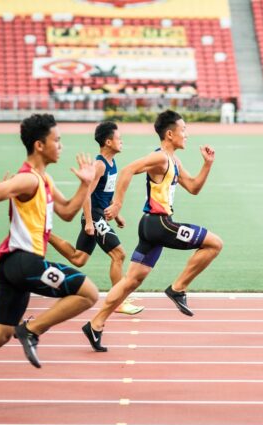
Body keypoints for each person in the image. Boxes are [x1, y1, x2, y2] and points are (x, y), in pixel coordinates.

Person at [0, 114, 99, 415]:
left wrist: (86, 185)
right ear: (39, 144)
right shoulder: (29, 178)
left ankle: (24, 332)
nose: (60, 146)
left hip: (14, 266)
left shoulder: (44, 178)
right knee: (89, 293)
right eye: (56, 141)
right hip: (24, 261)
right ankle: (32, 330)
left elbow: (67, 212)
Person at [81, 110, 223, 352]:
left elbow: (194, 187)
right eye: (183, 130)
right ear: (170, 134)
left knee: (130, 281)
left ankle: (95, 324)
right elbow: (127, 170)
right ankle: (178, 289)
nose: (187, 135)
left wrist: (207, 165)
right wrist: (117, 204)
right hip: (160, 224)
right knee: (214, 244)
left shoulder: (174, 161)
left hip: (151, 227)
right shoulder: (159, 158)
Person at [48, 121, 143, 317]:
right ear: (108, 142)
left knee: (79, 258)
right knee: (119, 255)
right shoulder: (99, 165)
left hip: (101, 215)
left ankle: (45, 233)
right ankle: (118, 301)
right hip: (94, 216)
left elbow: (105, 194)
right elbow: (86, 195)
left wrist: (117, 215)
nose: (122, 142)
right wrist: (90, 221)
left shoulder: (112, 162)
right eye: (119, 139)